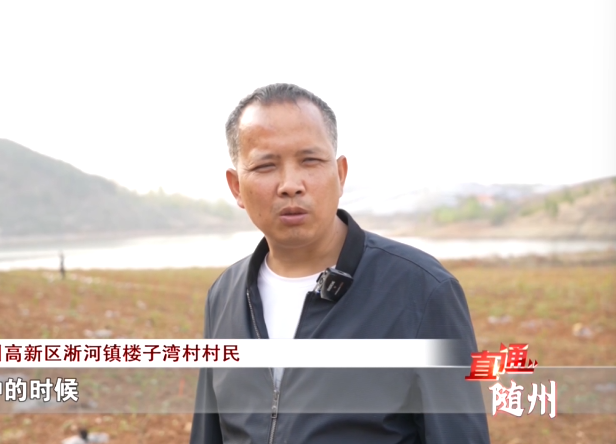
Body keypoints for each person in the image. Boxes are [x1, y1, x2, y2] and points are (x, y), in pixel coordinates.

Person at [189, 84, 490, 443]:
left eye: (310, 161)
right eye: (266, 165)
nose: (290, 185)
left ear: (341, 173)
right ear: (236, 186)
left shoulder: (421, 291)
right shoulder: (224, 295)